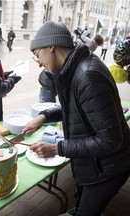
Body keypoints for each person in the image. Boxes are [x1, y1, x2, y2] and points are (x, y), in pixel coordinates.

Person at [24, 21, 130, 216]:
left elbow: (110, 140)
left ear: (51, 47)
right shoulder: (75, 68)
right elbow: (75, 109)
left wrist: (57, 148)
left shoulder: (87, 75)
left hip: (109, 167)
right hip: (96, 162)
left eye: (37, 55)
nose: (38, 62)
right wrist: (44, 116)